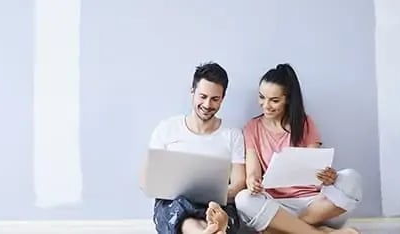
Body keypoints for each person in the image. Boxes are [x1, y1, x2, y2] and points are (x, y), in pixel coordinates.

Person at [234, 63, 363, 234]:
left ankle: (287, 229)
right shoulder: (251, 128)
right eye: (261, 97)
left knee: (351, 179)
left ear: (287, 99)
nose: (266, 105)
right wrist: (252, 182)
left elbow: (315, 169)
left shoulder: (304, 123)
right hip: (275, 206)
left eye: (274, 100)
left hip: (314, 205)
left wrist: (327, 176)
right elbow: (253, 174)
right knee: (243, 199)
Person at [140, 62, 247, 234]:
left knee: (217, 211)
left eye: (215, 99)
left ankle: (214, 226)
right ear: (192, 92)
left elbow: (239, 183)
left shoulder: (232, 135)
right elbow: (145, 179)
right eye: (202, 96)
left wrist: (215, 195)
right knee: (181, 211)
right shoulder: (167, 128)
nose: (207, 104)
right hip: (175, 204)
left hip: (216, 204)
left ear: (223, 98)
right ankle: (213, 230)